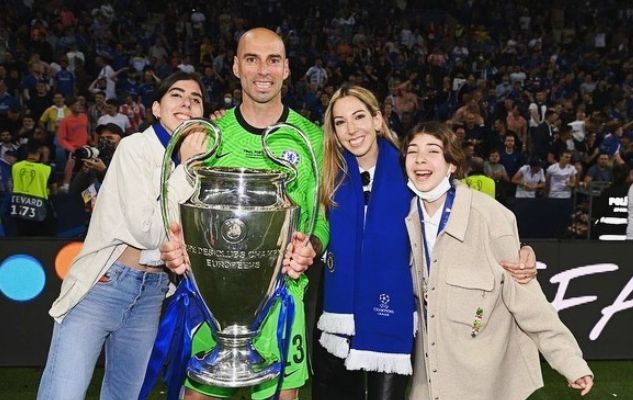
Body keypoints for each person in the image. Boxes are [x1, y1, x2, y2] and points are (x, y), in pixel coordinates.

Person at [312, 85, 537, 400]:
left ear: (378, 119)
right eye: (340, 121)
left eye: (359, 116)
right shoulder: (326, 172)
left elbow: (465, 211)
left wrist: (520, 249)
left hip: (394, 307)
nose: (351, 129)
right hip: (337, 311)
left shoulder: (411, 168)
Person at [158, 28, 327, 400]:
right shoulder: (213, 134)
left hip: (282, 294)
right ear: (236, 67)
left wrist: (310, 245)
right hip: (213, 300)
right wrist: (173, 245)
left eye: (273, 60)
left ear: (287, 69)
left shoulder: (310, 137)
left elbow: (320, 217)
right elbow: (182, 209)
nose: (262, 70)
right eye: (252, 59)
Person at [37, 71, 211, 400]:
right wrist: (187, 169)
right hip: (104, 283)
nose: (187, 102)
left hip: (152, 292)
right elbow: (147, 231)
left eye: (196, 99)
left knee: (124, 396)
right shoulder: (135, 148)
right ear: (156, 109)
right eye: (177, 95)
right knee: (64, 393)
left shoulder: (198, 164)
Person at [402, 121, 593, 400]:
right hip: (428, 381)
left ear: (452, 164)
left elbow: (527, 298)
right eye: (412, 151)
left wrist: (570, 361)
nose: (420, 159)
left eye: (432, 151)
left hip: (485, 382)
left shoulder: (491, 216)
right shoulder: (403, 217)